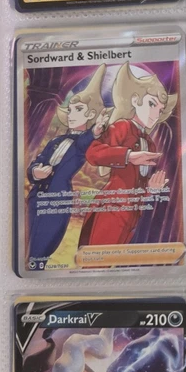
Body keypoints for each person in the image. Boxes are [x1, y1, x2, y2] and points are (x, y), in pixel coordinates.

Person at [78, 62, 177, 248]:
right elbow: (93, 153)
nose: (155, 114)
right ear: (135, 100)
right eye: (151, 104)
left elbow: (137, 184)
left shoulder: (150, 143)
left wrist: (151, 189)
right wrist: (129, 156)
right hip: (113, 208)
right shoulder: (123, 126)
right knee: (100, 256)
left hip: (133, 213)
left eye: (160, 110)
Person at [26, 64, 108, 265]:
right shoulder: (55, 141)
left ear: (90, 115)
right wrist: (36, 173)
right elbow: (38, 161)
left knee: (41, 248)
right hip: (36, 198)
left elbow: (84, 142)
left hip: (58, 200)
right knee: (25, 243)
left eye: (78, 109)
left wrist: (95, 131)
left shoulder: (83, 143)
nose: (71, 114)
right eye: (70, 109)